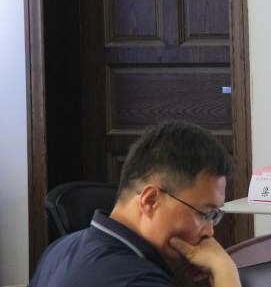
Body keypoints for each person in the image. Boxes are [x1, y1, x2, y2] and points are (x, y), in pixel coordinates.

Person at [29, 120, 241, 287]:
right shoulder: (136, 280)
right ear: (150, 200)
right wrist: (225, 271)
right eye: (204, 214)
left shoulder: (61, 248)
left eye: (214, 216)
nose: (209, 232)